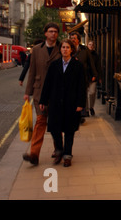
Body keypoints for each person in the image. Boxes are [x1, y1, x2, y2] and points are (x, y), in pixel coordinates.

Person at [39, 39, 86, 167]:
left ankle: (67, 155)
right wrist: (43, 100)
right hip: (56, 103)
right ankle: (59, 150)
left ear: (72, 50)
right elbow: (47, 84)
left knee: (69, 131)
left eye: (67, 47)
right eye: (63, 47)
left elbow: (82, 86)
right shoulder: (54, 65)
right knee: (55, 129)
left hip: (71, 103)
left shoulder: (78, 66)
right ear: (60, 50)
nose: (65, 49)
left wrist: (81, 103)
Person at [22, 23, 61, 165]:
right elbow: (32, 71)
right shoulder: (37, 50)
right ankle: (34, 154)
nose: (53, 34)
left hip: (56, 92)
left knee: (56, 124)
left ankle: (58, 151)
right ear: (45, 33)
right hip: (39, 92)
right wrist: (27, 92)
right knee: (40, 122)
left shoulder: (61, 48)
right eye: (50, 31)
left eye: (56, 32)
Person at [69, 32, 97, 118]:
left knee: (82, 94)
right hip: (70, 77)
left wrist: (94, 74)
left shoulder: (84, 49)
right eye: (71, 38)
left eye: (74, 38)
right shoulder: (66, 48)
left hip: (82, 76)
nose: (72, 40)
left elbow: (90, 62)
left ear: (78, 40)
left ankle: (83, 112)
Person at [87, 40, 102, 116]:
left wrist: (97, 76)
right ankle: (86, 109)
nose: (91, 46)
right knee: (86, 94)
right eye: (89, 44)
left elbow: (98, 67)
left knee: (92, 93)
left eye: (92, 45)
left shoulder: (96, 55)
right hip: (85, 76)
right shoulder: (85, 54)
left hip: (93, 76)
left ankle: (91, 107)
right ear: (87, 45)